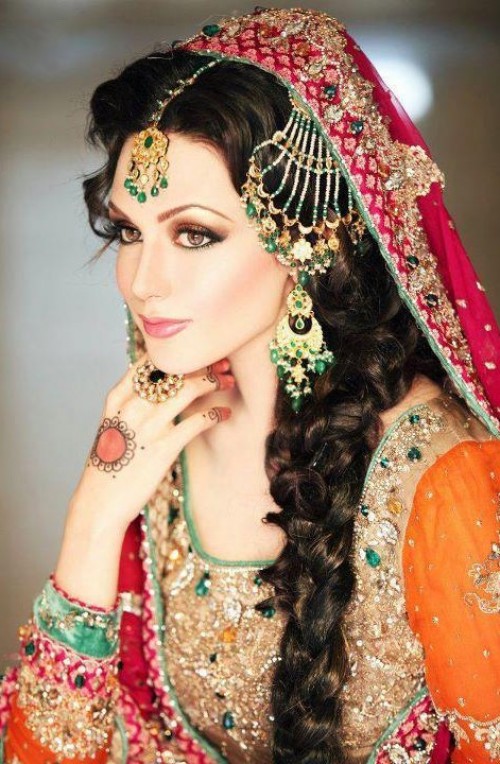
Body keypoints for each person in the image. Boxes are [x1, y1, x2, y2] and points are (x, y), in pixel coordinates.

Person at [0, 6, 499, 764]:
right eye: (130, 231)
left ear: (308, 242)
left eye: (194, 234)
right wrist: (93, 522)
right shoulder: (155, 433)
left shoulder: (438, 479)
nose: (142, 281)